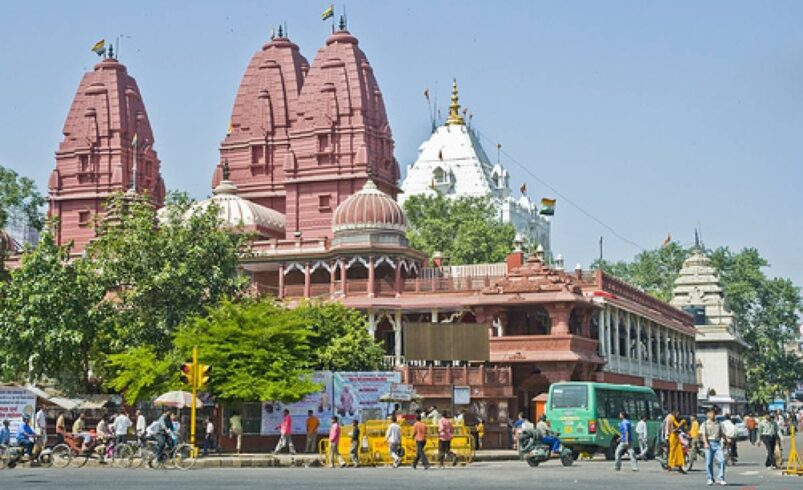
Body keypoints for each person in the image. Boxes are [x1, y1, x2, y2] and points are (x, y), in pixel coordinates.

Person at [702, 409, 726, 486]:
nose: (712, 414)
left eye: (714, 413)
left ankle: (720, 478)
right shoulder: (705, 424)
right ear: (707, 414)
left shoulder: (719, 423)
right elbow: (703, 434)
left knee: (722, 460)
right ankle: (710, 478)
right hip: (709, 443)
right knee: (709, 462)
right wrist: (705, 443)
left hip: (717, 443)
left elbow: (722, 433)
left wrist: (726, 440)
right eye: (711, 413)